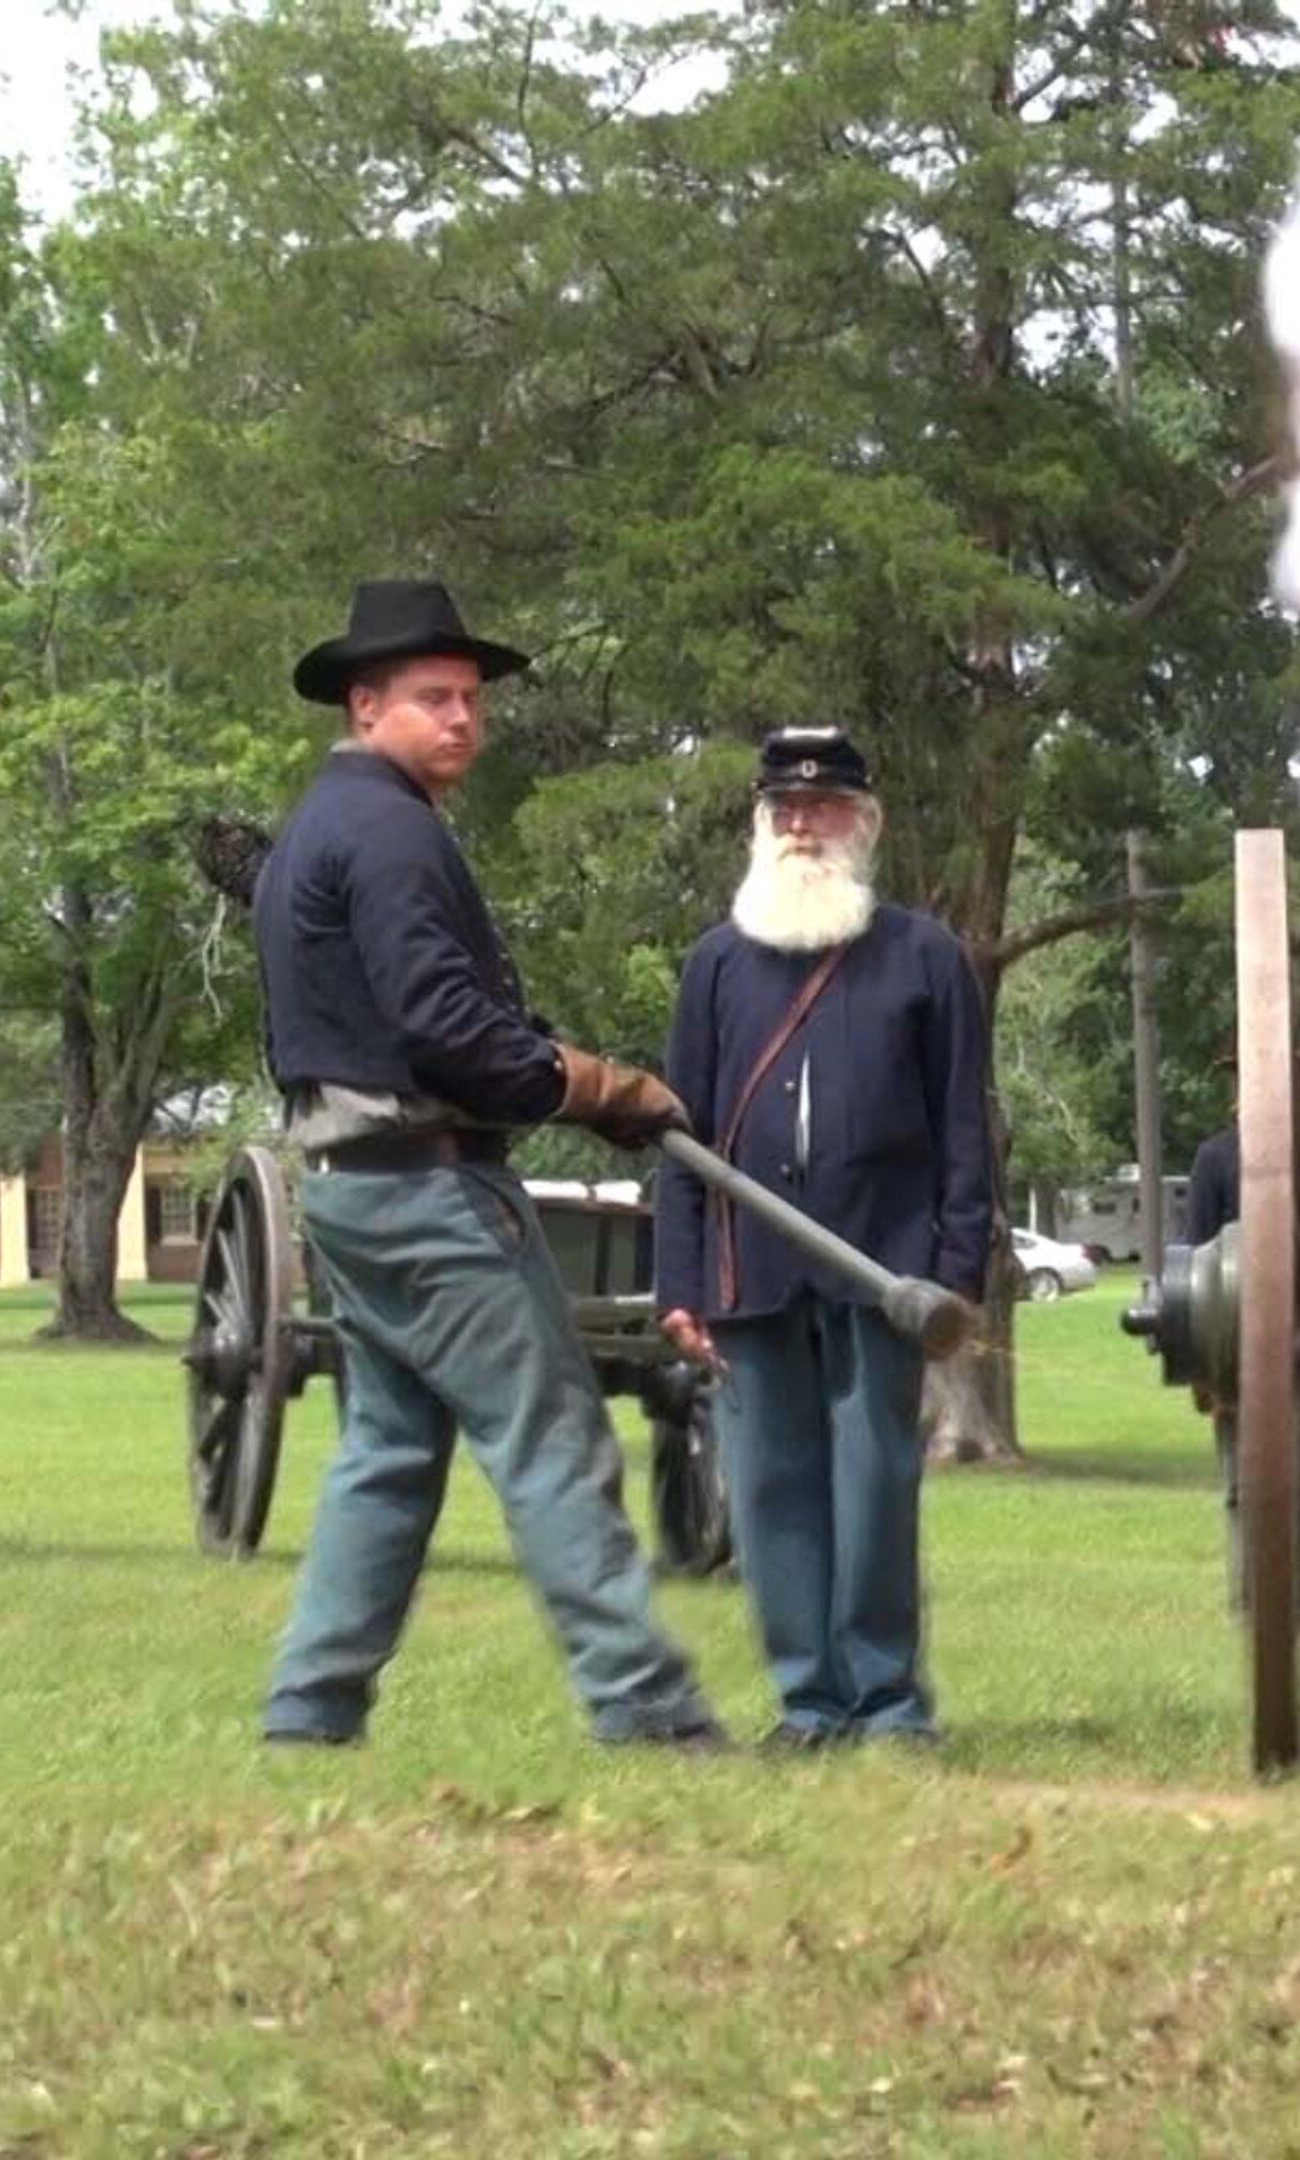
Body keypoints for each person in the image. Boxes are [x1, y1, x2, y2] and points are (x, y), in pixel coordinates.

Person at [252, 580, 721, 1750]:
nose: (462, 719)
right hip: (429, 1189)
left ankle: (309, 1714)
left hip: (353, 1193)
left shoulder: (322, 825)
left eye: (470, 700)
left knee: (388, 1452)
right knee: (554, 1439)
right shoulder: (390, 830)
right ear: (367, 706)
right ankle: (647, 1710)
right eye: (433, 699)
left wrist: (560, 1074)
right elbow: (444, 1027)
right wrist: (597, 1088)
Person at [652, 727, 991, 1751]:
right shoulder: (716, 964)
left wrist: (952, 1275)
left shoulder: (923, 956)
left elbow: (964, 1130)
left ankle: (886, 1704)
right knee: (769, 1495)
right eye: (785, 811)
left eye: (824, 808)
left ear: (864, 824)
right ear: (763, 824)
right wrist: (679, 1280)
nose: (803, 827)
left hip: (881, 1271)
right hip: (746, 1273)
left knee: (875, 1487)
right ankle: (809, 1703)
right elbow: (679, 1132)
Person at [1186, 1057, 1300, 1621]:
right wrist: (1201, 1369)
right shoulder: (1215, 1158)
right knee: (1242, 1484)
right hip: (1232, 1343)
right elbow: (1197, 1263)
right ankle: (1249, 1604)